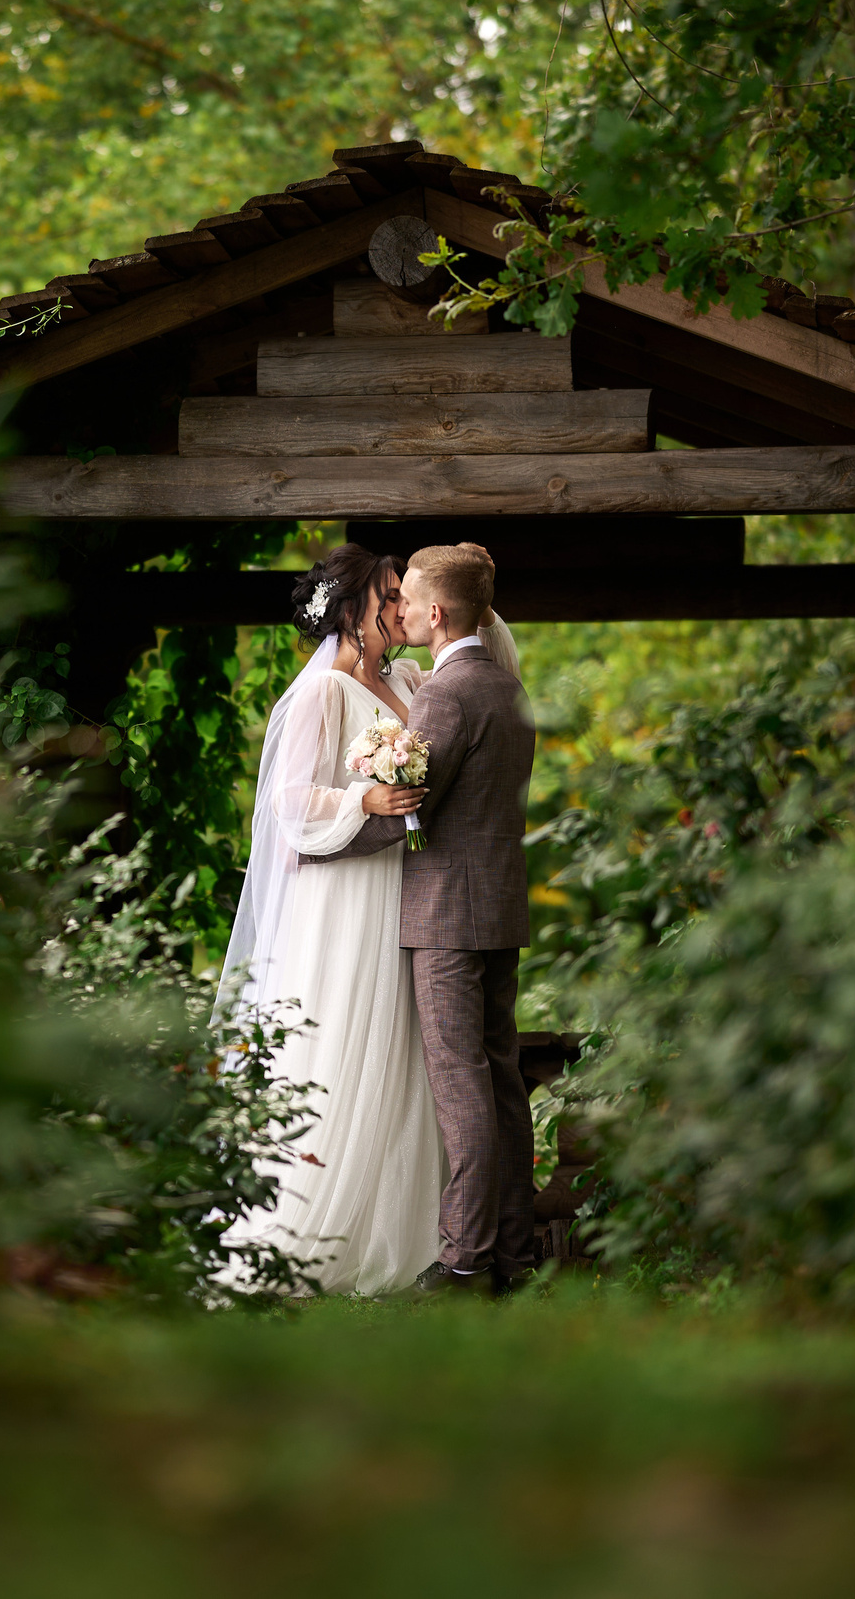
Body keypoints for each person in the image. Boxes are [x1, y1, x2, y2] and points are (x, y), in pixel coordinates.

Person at [216, 544, 443, 1293]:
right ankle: (308, 1227)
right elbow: (289, 804)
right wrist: (363, 800)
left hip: (401, 884)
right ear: (351, 612)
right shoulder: (323, 694)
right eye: (389, 596)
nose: (403, 608)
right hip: (345, 893)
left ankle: (404, 1227)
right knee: (348, 1032)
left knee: (402, 1041)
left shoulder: (409, 678)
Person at [323, 542, 536, 1298]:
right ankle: (515, 1253)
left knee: (461, 1086)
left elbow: (414, 805)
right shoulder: (508, 688)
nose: (401, 612)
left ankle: (465, 1261)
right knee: (502, 1083)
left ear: (436, 614)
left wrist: (327, 839)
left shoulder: (446, 695)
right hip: (501, 909)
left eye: (408, 602)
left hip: (448, 917)